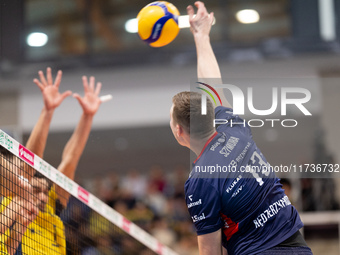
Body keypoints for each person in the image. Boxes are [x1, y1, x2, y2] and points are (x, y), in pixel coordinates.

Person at [170, 2, 312, 255]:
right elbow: (212, 83)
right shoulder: (233, 128)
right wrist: (202, 36)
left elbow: (210, 252)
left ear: (179, 131)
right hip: (298, 247)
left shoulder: (200, 182)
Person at [1, 67, 103, 255]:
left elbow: (70, 161)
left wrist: (87, 117)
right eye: (35, 190)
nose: (42, 196)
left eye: (44, 191)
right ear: (20, 187)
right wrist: (47, 111)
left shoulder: (52, 210)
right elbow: (29, 163)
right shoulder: (13, 201)